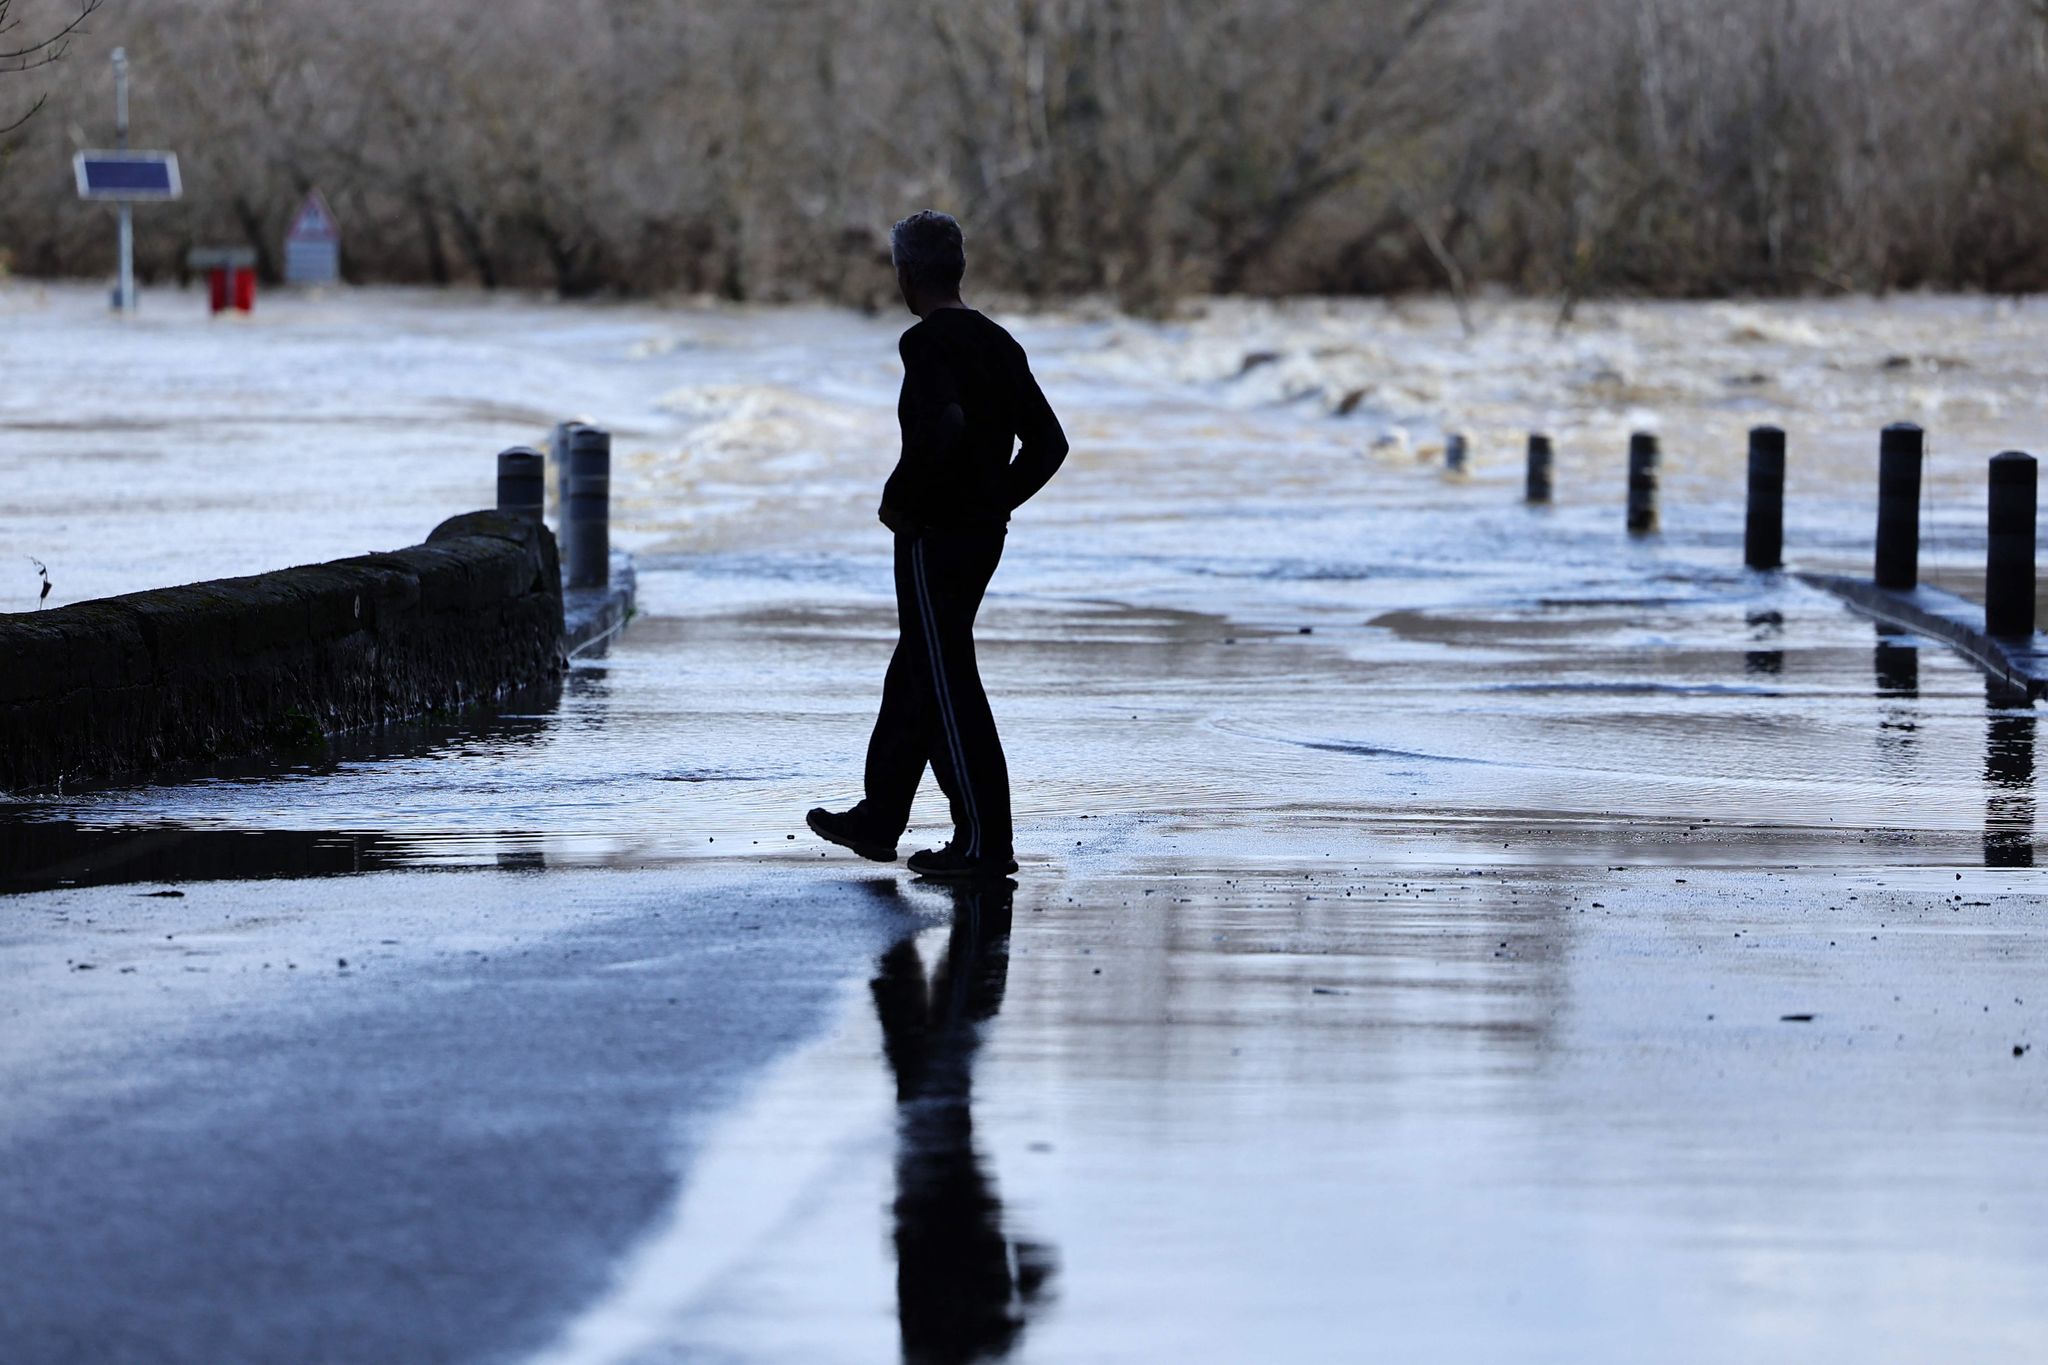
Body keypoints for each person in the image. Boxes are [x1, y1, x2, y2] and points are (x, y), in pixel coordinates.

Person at [807, 211, 1068, 881]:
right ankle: (880, 817)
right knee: (919, 667)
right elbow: (1048, 444)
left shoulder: (926, 343)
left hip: (935, 536)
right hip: (979, 535)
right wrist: (996, 502)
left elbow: (943, 422)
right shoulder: (999, 341)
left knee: (948, 681)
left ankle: (983, 842)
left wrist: (904, 496)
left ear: (907, 275)